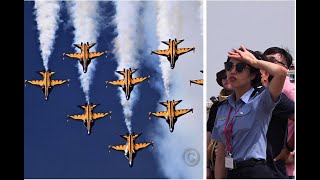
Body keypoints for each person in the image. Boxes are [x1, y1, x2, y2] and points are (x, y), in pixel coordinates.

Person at [212, 46, 287, 179]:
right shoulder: (222, 108)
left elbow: (281, 72)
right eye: (229, 66)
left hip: (255, 172)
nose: (232, 71)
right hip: (231, 173)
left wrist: (255, 62)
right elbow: (221, 154)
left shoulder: (262, 100)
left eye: (240, 67)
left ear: (252, 75)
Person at [263, 47, 295, 178]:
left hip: (281, 165)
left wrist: (289, 149)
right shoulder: (267, 88)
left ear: (285, 68)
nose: (267, 64)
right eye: (265, 60)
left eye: (273, 61)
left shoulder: (288, 90)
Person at [207, 69, 233, 179]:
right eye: (224, 77)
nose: (227, 80)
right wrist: (207, 166)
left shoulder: (250, 102)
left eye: (229, 76)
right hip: (217, 158)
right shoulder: (216, 106)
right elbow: (209, 134)